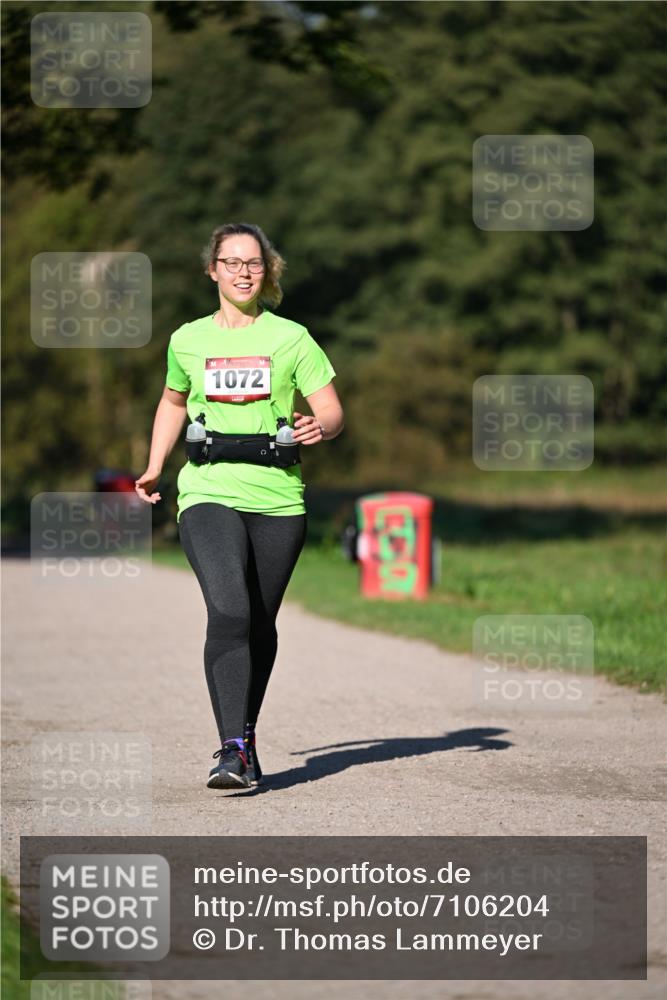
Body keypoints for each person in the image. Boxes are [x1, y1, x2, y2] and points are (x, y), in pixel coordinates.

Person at [135, 222, 343, 790]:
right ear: (213, 270)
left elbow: (331, 409)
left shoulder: (292, 338)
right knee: (229, 610)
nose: (243, 272)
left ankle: (244, 736)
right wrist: (155, 465)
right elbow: (172, 402)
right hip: (207, 489)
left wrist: (318, 425)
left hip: (278, 498)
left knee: (259, 622)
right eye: (232, 262)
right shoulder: (187, 339)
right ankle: (230, 750)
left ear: (266, 271)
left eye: (253, 263)